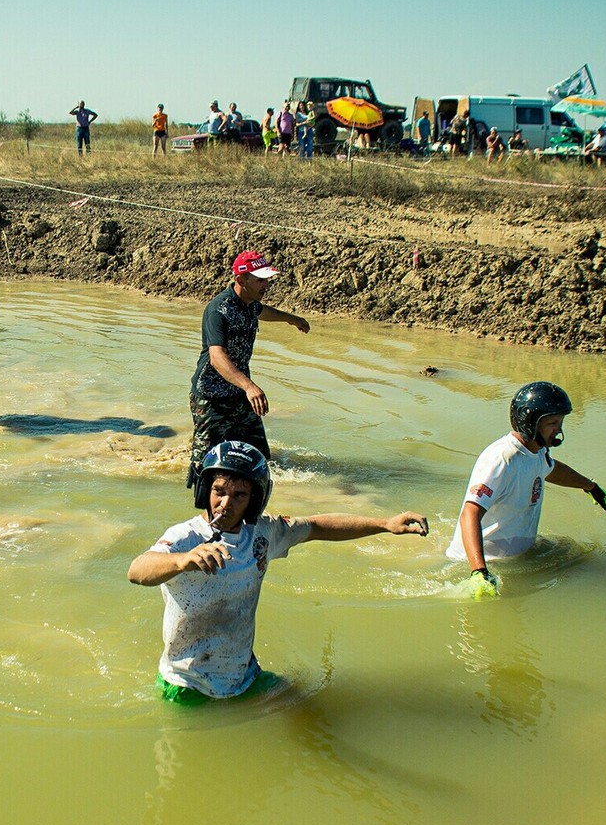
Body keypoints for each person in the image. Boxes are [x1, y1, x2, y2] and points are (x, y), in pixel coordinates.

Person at [129, 440, 429, 703]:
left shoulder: (262, 534)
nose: (225, 503)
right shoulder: (185, 537)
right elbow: (138, 569)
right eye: (218, 491)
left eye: (239, 495)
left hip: (244, 675)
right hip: (186, 684)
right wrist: (183, 561)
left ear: (254, 500)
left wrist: (384, 524)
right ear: (204, 489)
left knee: (304, 709)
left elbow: (318, 526)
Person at [448, 382, 606, 598]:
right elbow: (469, 513)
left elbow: (552, 469)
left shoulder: (537, 452)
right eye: (552, 423)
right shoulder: (501, 459)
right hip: (486, 566)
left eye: (561, 422)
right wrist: (478, 572)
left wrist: (591, 487)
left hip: (515, 561)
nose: (559, 429)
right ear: (530, 423)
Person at [185, 250, 311, 485]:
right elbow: (216, 356)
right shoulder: (218, 309)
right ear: (242, 280)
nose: (267, 285)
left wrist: (291, 318)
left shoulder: (251, 304)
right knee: (206, 464)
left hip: (238, 394)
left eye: (267, 279)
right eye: (260, 280)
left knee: (259, 457)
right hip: (211, 397)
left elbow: (264, 312)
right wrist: (250, 386)